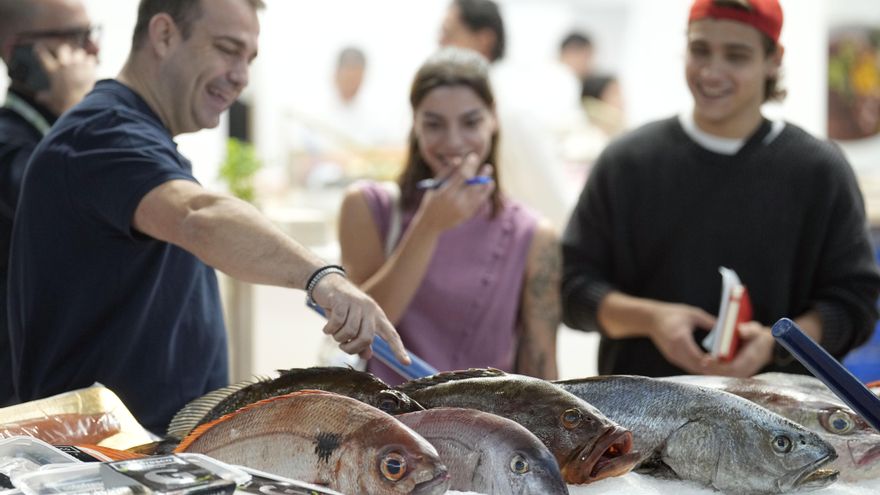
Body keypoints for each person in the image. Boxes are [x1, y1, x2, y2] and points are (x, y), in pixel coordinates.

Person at [7, 0, 408, 433]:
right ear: (163, 35)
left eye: (249, 58)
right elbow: (198, 214)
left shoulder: (141, 137)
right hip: (100, 461)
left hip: (147, 456)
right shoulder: (101, 134)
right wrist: (323, 278)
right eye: (226, 49)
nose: (241, 75)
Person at [561, 0, 880, 378]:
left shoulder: (820, 171)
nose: (712, 72)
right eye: (700, 50)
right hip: (645, 417)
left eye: (736, 56)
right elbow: (572, 288)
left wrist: (778, 344)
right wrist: (651, 320)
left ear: (773, 59)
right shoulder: (626, 162)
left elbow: (855, 304)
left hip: (780, 421)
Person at [338, 47, 560, 385]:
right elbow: (362, 334)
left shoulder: (531, 236)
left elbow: (542, 372)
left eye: (471, 122)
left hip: (489, 431)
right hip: (388, 425)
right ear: (415, 124)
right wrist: (428, 226)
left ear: (493, 119)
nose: (454, 141)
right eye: (434, 124)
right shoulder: (368, 207)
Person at [0, 0, 99, 406]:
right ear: (21, 50)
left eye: (94, 34)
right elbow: (79, 206)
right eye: (76, 37)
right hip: (23, 394)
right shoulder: (9, 146)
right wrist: (78, 108)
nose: (92, 49)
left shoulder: (47, 134)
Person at [439, 0, 583, 232]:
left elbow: (553, 202)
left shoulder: (510, 104)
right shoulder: (462, 99)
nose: (440, 43)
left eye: (449, 33)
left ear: (484, 39)